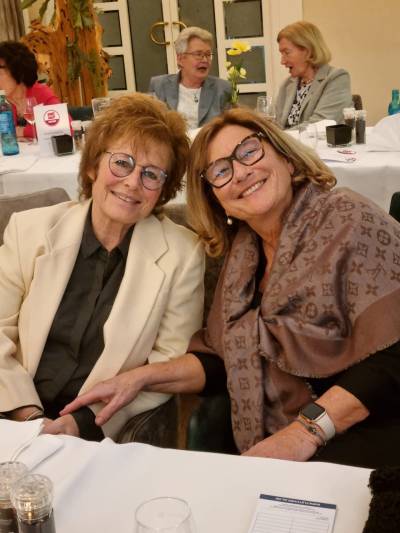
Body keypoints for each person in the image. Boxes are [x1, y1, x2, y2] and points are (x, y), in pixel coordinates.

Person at [61, 107, 400, 469]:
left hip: (375, 425)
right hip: (280, 442)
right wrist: (139, 379)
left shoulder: (349, 218)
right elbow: (222, 360)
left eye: (249, 151)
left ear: (287, 159)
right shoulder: (243, 257)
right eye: (221, 172)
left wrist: (306, 432)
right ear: (216, 199)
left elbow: (393, 357)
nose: (240, 172)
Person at [0, 93, 204, 442]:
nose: (133, 182)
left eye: (151, 174)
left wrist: (84, 422)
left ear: (163, 191)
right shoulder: (28, 230)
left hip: (94, 431)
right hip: (12, 413)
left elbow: (166, 365)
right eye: (122, 163)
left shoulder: (182, 255)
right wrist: (28, 416)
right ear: (93, 166)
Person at [148, 27, 231, 129]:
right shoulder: (159, 85)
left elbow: (230, 127)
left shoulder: (223, 88)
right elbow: (149, 124)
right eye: (198, 54)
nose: (205, 60)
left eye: (208, 54)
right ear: (180, 59)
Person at [275, 21, 352, 129]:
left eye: (287, 53)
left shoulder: (337, 78)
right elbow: (277, 124)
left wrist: (280, 136)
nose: (282, 61)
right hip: (285, 140)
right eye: (281, 54)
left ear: (308, 51)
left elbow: (321, 124)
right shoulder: (287, 84)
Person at [0, 41, 61, 139]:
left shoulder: (41, 93)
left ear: (18, 72)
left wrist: (23, 131)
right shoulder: (3, 102)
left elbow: (64, 126)